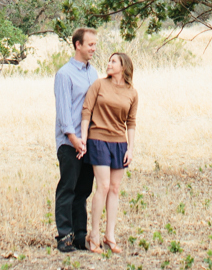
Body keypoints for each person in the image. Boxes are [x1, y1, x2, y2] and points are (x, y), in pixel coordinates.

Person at [80, 51, 139, 254]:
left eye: (113, 61)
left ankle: (110, 235)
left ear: (123, 67)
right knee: (103, 186)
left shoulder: (132, 92)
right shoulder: (99, 85)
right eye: (109, 61)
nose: (109, 64)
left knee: (114, 188)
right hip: (98, 139)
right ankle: (93, 234)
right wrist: (83, 138)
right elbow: (86, 110)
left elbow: (131, 122)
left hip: (119, 143)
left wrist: (130, 148)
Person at [52, 26, 100, 254]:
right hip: (69, 142)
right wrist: (73, 139)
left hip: (89, 141)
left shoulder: (93, 73)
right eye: (90, 44)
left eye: (95, 45)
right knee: (67, 188)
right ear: (77, 45)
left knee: (83, 190)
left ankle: (80, 235)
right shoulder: (64, 74)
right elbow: (63, 112)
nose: (93, 48)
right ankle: (64, 235)